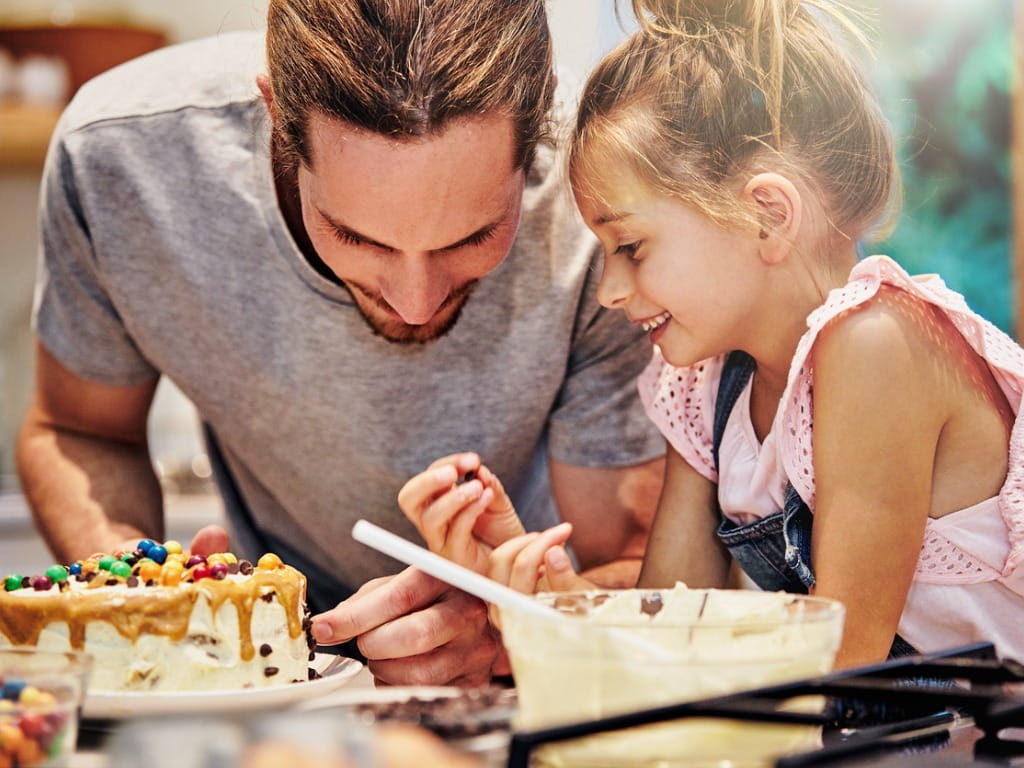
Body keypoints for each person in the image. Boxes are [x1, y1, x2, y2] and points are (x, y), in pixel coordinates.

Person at [15, 0, 666, 685]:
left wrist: (520, 625)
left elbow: (637, 566)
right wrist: (149, 608)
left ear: (540, 128)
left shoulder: (600, 196)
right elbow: (78, 431)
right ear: (275, 113)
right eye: (356, 237)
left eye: (473, 237)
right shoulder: (121, 158)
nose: (415, 303)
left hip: (533, 687)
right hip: (267, 696)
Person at [406, 0, 1024, 669]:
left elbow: (845, 661)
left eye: (631, 246)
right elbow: (669, 632)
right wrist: (554, 599)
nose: (610, 289)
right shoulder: (706, 388)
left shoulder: (878, 345)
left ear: (766, 215)